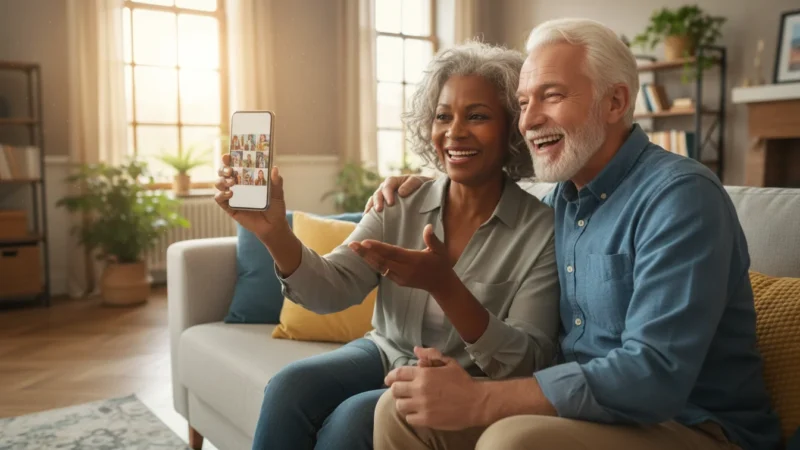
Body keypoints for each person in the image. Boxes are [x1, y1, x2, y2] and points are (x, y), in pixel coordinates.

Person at [367, 18, 781, 450]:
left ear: (615, 101)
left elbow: (655, 374)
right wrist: (425, 186)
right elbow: (526, 333)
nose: (529, 121)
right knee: (401, 412)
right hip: (583, 415)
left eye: (551, 95)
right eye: (524, 102)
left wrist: (482, 399)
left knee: (513, 440)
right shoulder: (556, 206)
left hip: (693, 425)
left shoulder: (681, 197)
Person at [213, 42, 561, 450]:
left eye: (478, 117)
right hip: (385, 350)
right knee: (290, 386)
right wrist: (274, 232)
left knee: (352, 420)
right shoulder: (402, 202)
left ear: (512, 129)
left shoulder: (540, 231)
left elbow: (527, 359)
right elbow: (331, 289)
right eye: (442, 116)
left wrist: (445, 287)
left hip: (466, 376)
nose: (454, 132)